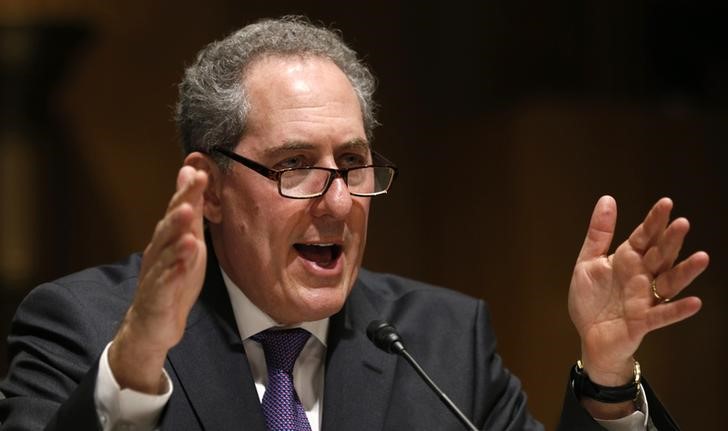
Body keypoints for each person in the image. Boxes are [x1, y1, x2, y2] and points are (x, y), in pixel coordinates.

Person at [0, 16, 709, 431]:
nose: (339, 202)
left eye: (354, 162)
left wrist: (610, 379)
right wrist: (133, 366)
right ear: (210, 188)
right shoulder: (83, 326)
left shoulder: (441, 342)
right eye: (296, 164)